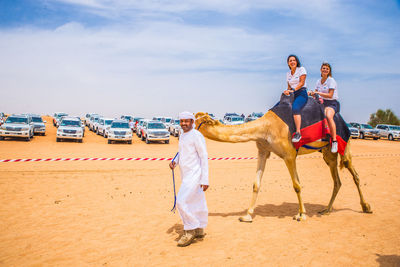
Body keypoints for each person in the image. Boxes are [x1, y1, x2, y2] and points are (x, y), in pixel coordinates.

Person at [169, 111, 209, 247]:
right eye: (182, 121)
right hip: (185, 174)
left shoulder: (197, 136)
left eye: (187, 121)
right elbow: (182, 152)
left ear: (192, 122)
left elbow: (204, 157)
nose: (184, 124)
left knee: (181, 201)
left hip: (195, 175)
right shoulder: (182, 135)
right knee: (195, 201)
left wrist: (205, 179)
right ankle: (199, 229)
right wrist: (175, 161)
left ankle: (189, 230)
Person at [309, 62, 339, 153]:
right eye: (323, 68)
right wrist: (312, 93)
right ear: (321, 70)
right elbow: (316, 94)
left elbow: (330, 95)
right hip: (321, 103)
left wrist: (318, 93)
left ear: (329, 71)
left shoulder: (331, 80)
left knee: (328, 116)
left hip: (331, 103)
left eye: (327, 68)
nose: (325, 70)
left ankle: (334, 141)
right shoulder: (318, 81)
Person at [283, 55, 308, 142]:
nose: (292, 62)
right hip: (292, 94)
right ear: (288, 63)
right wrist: (287, 91)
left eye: (294, 60)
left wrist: (293, 90)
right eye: (290, 61)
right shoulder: (288, 74)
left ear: (296, 62)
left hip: (301, 93)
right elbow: (289, 87)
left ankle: (298, 133)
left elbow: (302, 83)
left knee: (295, 108)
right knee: (279, 106)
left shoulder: (301, 69)